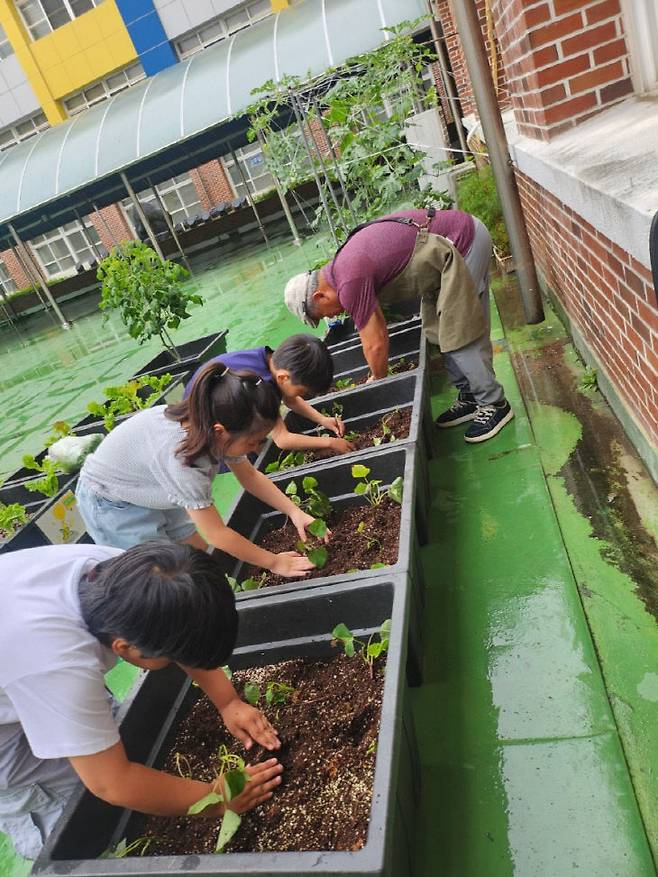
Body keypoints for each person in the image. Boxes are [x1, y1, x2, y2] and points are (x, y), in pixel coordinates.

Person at [0, 541, 283, 861]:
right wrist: (216, 799)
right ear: (125, 648)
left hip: (21, 660)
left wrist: (228, 702)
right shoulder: (58, 665)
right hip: (8, 737)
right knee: (80, 818)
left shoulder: (125, 573)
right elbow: (112, 783)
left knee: (113, 749)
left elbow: (177, 630)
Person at [283, 207, 514, 443]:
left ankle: (494, 403)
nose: (332, 317)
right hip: (444, 260)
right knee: (437, 328)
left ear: (319, 297)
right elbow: (379, 324)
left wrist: (378, 380)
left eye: (323, 315)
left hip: (464, 243)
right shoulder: (342, 269)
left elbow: (375, 342)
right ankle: (470, 396)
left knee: (458, 331)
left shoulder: (348, 280)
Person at [76, 362, 323, 577]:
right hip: (111, 502)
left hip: (154, 483)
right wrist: (275, 562)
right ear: (219, 431)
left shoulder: (215, 423)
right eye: (252, 442)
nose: (257, 448)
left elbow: (249, 476)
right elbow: (217, 534)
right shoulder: (186, 463)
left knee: (198, 555)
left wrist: (293, 511)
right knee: (161, 573)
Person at [184, 334, 354, 458]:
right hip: (212, 428)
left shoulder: (270, 360)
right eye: (302, 391)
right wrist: (330, 443)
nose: (302, 395)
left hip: (212, 400)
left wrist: (322, 420)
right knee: (250, 452)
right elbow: (282, 439)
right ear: (283, 378)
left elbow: (290, 399)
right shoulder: (261, 386)